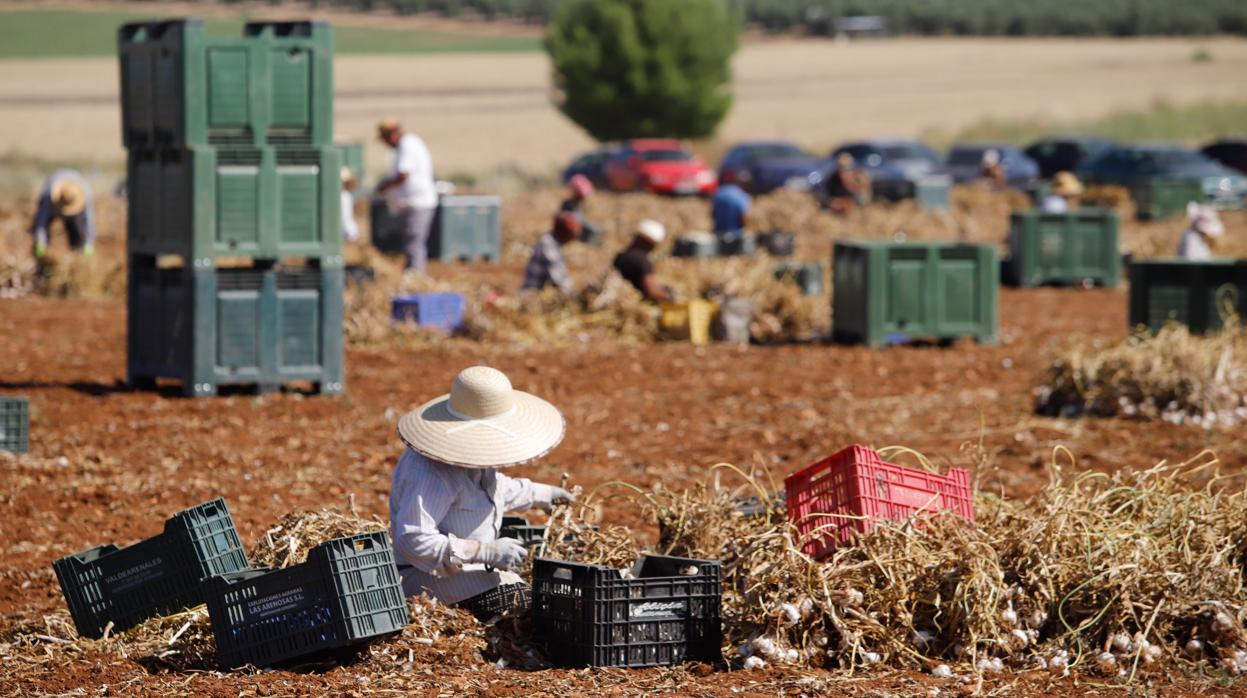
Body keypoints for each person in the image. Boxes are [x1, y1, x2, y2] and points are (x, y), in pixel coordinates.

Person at [390, 365, 576, 621]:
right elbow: (413, 541)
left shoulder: (474, 462)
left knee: (541, 600)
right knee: (530, 607)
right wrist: (483, 551)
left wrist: (541, 494)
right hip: (427, 580)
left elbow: (495, 488)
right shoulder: (432, 473)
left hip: (472, 571)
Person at [374, 119, 438, 271]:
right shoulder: (405, 145)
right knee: (411, 241)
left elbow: (403, 174)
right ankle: (412, 272)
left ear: (392, 136)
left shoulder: (407, 144)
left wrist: (384, 187)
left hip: (418, 201)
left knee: (414, 241)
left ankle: (415, 275)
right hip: (412, 202)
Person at [31, 169, 95, 257]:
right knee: (42, 234)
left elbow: (88, 221)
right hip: (51, 205)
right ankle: (44, 256)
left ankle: (77, 254)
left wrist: (88, 243)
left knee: (77, 230)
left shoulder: (85, 193)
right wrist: (41, 241)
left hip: (74, 210)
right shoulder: (48, 194)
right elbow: (42, 220)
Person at [613, 219, 672, 302]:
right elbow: (651, 292)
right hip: (633, 306)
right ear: (652, 244)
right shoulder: (641, 261)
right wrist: (668, 296)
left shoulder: (620, 256)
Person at [522, 212, 580, 294]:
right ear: (563, 233)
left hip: (537, 295)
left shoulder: (552, 242)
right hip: (531, 296)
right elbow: (559, 279)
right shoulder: (548, 245)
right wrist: (574, 294)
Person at [560, 174, 600, 244]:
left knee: (596, 229)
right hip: (573, 229)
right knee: (593, 231)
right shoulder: (568, 204)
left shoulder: (576, 204)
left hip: (579, 227)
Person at [339, 167, 360, 243]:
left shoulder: (344, 196)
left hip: (347, 234)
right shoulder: (346, 195)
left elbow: (345, 218)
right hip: (349, 232)